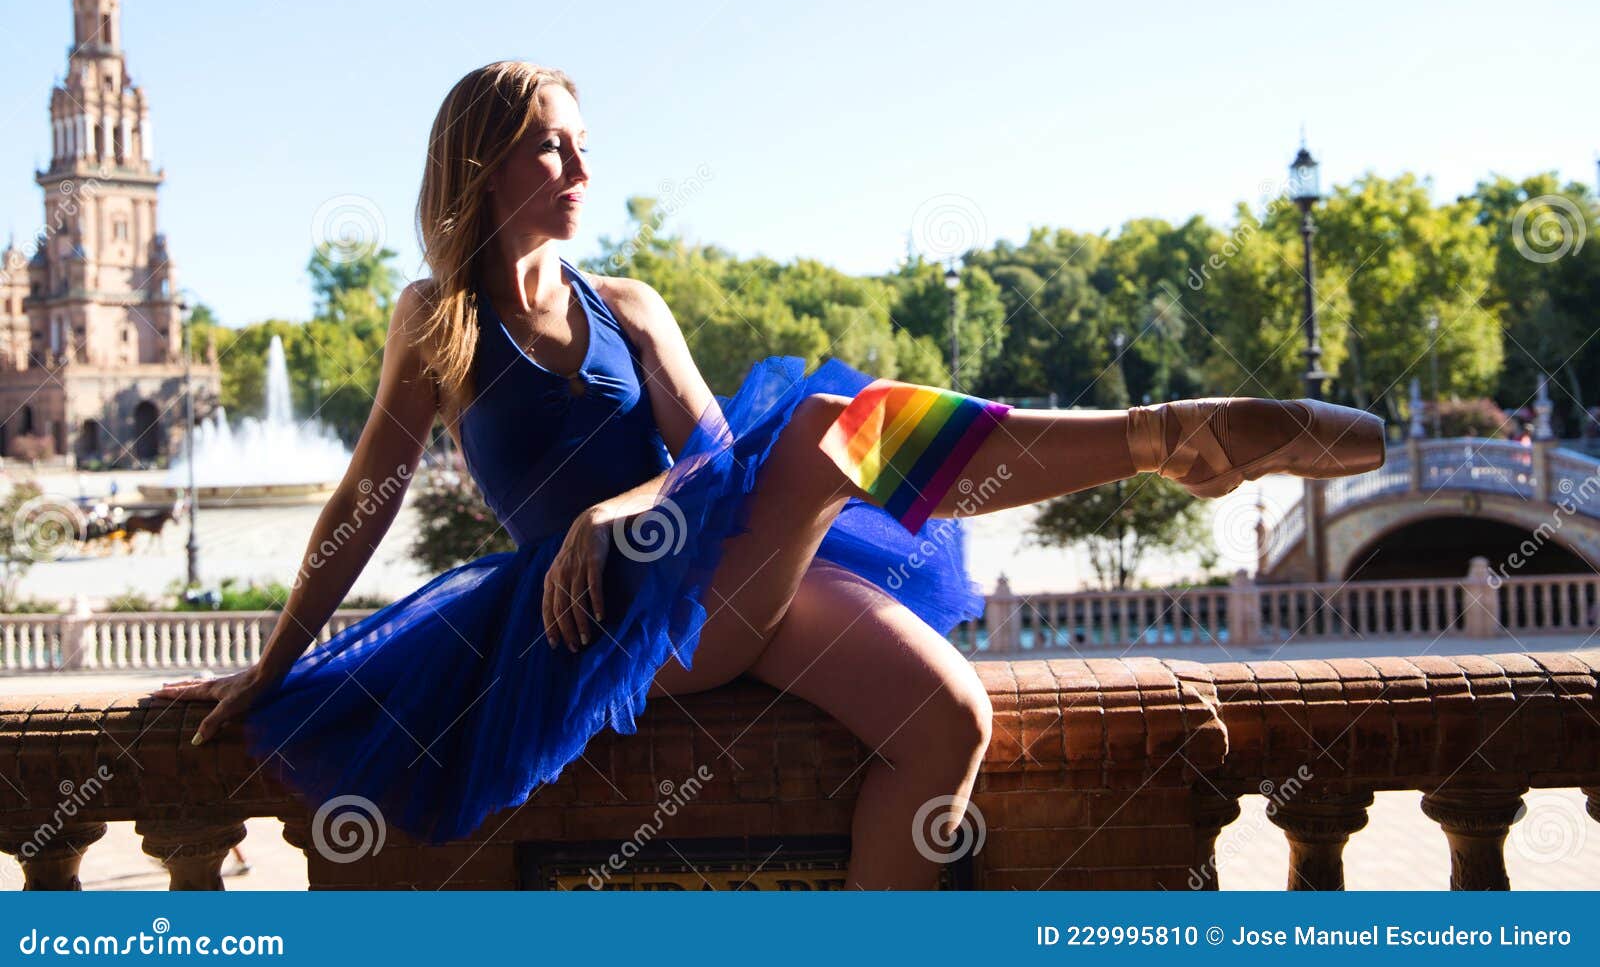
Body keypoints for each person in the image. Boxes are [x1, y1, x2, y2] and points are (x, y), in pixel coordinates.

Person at [150, 61, 1384, 889]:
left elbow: (709, 458)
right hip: (597, 625)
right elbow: (365, 496)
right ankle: (1165, 436)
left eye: (584, 145)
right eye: (549, 147)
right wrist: (276, 658)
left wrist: (631, 502)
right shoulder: (436, 320)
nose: (579, 170)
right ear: (482, 163)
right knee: (825, 424)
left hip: (711, 568)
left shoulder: (626, 302)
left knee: (947, 720)